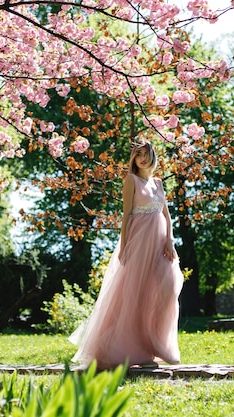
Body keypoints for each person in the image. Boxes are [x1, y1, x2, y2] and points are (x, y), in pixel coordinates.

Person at [69, 140, 184, 369]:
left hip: (161, 245)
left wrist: (170, 241)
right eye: (137, 154)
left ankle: (160, 342)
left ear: (152, 155)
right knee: (135, 295)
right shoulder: (131, 181)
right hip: (139, 245)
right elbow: (127, 216)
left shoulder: (159, 183)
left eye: (144, 153)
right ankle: (136, 348)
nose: (141, 158)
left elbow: (167, 215)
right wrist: (124, 247)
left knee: (168, 289)